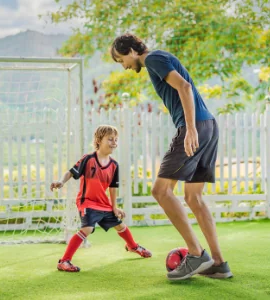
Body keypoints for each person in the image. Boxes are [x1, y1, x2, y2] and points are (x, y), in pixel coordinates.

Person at [110, 33, 232, 281]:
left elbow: (184, 87)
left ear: (132, 51)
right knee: (193, 197)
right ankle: (218, 263)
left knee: (161, 191)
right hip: (209, 125)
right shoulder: (160, 58)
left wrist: (189, 129)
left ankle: (197, 254)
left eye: (121, 59)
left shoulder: (153, 58)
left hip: (196, 126)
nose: (123, 66)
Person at [51, 125, 152, 272]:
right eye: (110, 139)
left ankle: (132, 246)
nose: (114, 142)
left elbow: (112, 188)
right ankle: (64, 261)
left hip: (103, 204)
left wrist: (114, 207)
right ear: (98, 141)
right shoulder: (88, 159)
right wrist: (61, 182)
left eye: (115, 140)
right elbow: (71, 172)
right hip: (87, 201)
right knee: (87, 228)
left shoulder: (114, 165)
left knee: (120, 226)